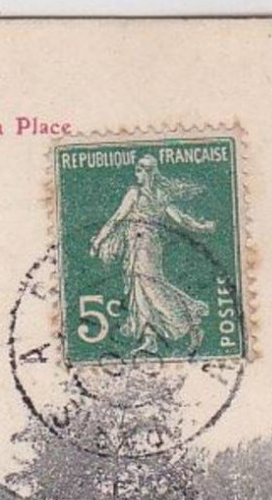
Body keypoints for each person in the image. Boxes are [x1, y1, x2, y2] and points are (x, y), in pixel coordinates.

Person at [89, 153, 217, 358]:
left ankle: (190, 321)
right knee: (139, 289)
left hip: (144, 246)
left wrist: (98, 240)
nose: (136, 174)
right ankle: (150, 339)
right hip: (140, 245)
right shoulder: (157, 196)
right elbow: (182, 219)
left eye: (140, 170)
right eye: (136, 169)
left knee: (151, 286)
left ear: (149, 173)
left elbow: (117, 218)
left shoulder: (137, 194)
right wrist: (201, 227)